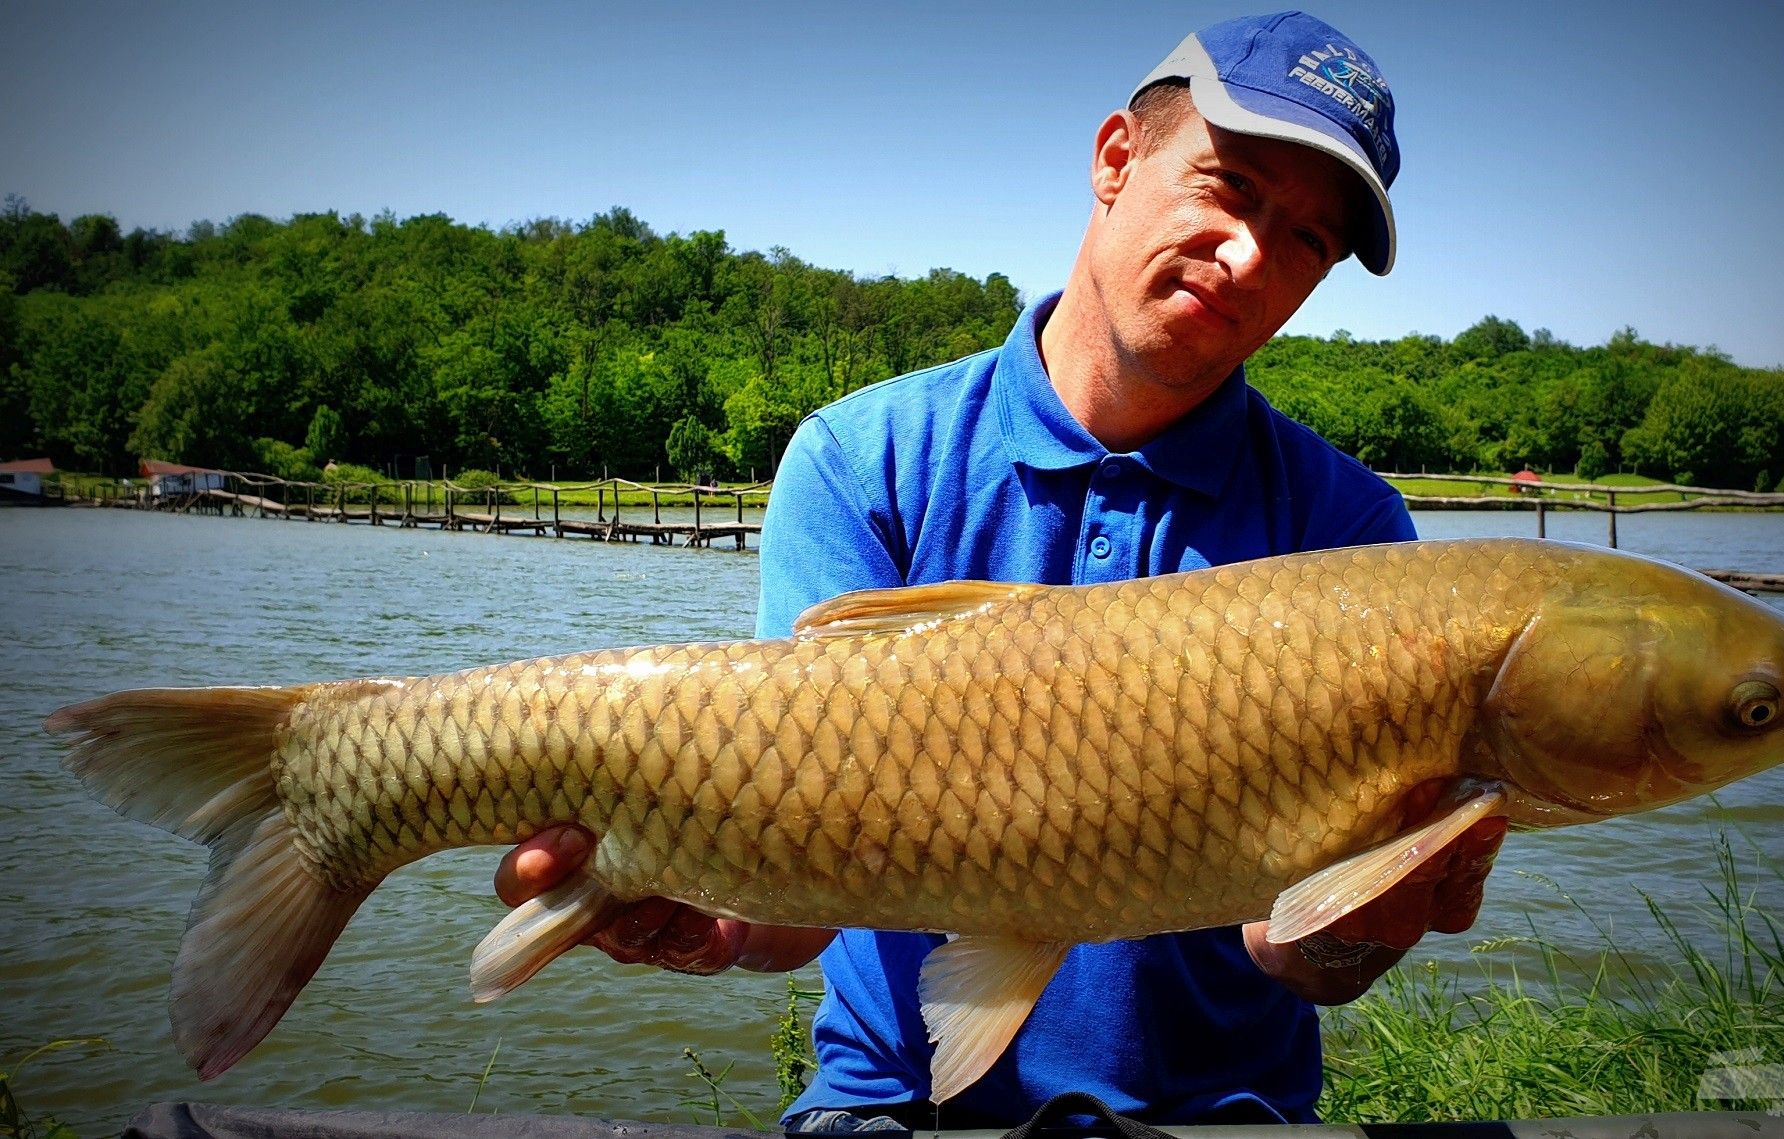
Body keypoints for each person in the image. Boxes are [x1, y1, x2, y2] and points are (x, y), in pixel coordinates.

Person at [496, 11, 1506, 1128]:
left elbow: (1294, 952)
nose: (1257, 255)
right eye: (1230, 188)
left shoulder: (1348, 525)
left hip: (1219, 1112)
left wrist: (1368, 915)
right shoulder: (865, 456)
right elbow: (796, 900)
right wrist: (713, 918)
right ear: (1116, 158)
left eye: (1311, 240)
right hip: (896, 1106)